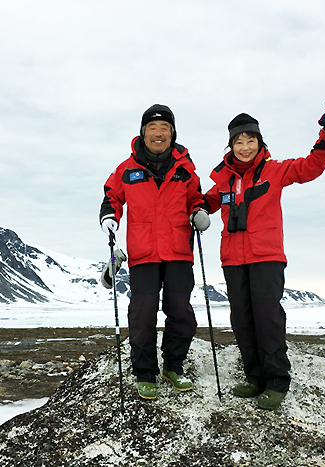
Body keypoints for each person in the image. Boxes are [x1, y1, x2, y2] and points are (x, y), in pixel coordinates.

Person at [204, 110, 325, 410]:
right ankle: (254, 377)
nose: (245, 147)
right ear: (230, 146)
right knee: (242, 320)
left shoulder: (275, 170)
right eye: (238, 141)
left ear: (260, 143)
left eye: (251, 140)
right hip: (233, 259)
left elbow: (311, 167)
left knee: (267, 318)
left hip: (266, 257)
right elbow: (205, 202)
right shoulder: (223, 179)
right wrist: (196, 208)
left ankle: (277, 380)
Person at [99, 104, 211, 400]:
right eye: (152, 128)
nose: (158, 133)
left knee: (181, 313)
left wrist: (198, 211)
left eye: (164, 129)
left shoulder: (186, 169)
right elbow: (111, 196)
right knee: (142, 314)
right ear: (143, 133)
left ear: (172, 134)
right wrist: (110, 217)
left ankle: (173, 366)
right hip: (144, 253)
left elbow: (195, 198)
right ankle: (145, 372)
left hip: (178, 251)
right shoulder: (127, 169)